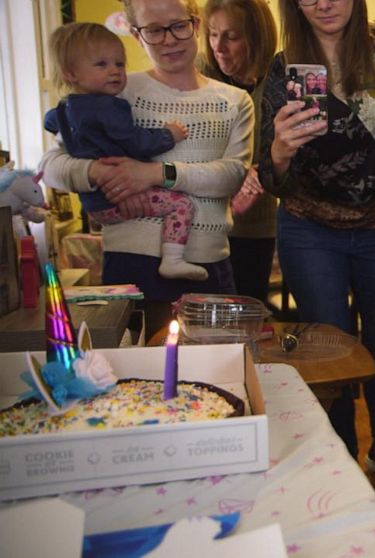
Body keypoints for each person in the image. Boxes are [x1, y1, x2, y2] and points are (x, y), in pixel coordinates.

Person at [256, 0, 375, 460]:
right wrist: (282, 148)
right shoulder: (284, 68)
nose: (323, 3)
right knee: (329, 354)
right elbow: (267, 175)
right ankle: (340, 459)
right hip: (310, 231)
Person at [39, 0, 254, 336]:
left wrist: (154, 174)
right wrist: (98, 173)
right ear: (137, 36)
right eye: (154, 30)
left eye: (178, 25)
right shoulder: (113, 88)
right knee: (136, 375)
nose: (168, 39)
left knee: (212, 372)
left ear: (195, 24)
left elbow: (230, 176)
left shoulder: (234, 100)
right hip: (130, 259)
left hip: (205, 261)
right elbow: (50, 165)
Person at [43, 22, 206, 282]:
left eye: (119, 64)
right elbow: (135, 141)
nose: (114, 72)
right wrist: (168, 135)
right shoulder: (109, 107)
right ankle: (173, 259)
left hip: (94, 204)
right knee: (182, 205)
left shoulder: (64, 108)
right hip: (114, 201)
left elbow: (49, 122)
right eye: (102, 65)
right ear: (70, 74)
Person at [199, 0, 278, 304]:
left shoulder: (277, 80)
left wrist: (261, 172)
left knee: (246, 307)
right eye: (213, 34)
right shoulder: (200, 77)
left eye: (231, 37)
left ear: (256, 39)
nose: (218, 47)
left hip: (254, 225)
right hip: (203, 220)